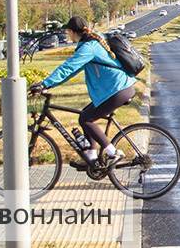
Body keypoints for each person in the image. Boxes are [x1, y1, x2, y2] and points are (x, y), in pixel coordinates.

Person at [30, 16, 136, 170]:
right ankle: (91, 157)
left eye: (67, 31)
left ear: (72, 32)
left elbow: (68, 67)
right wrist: (50, 85)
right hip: (118, 89)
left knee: (87, 119)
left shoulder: (88, 47)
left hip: (118, 89)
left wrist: (44, 84)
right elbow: (72, 71)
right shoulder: (89, 44)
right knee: (85, 115)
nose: (67, 34)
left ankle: (113, 153)